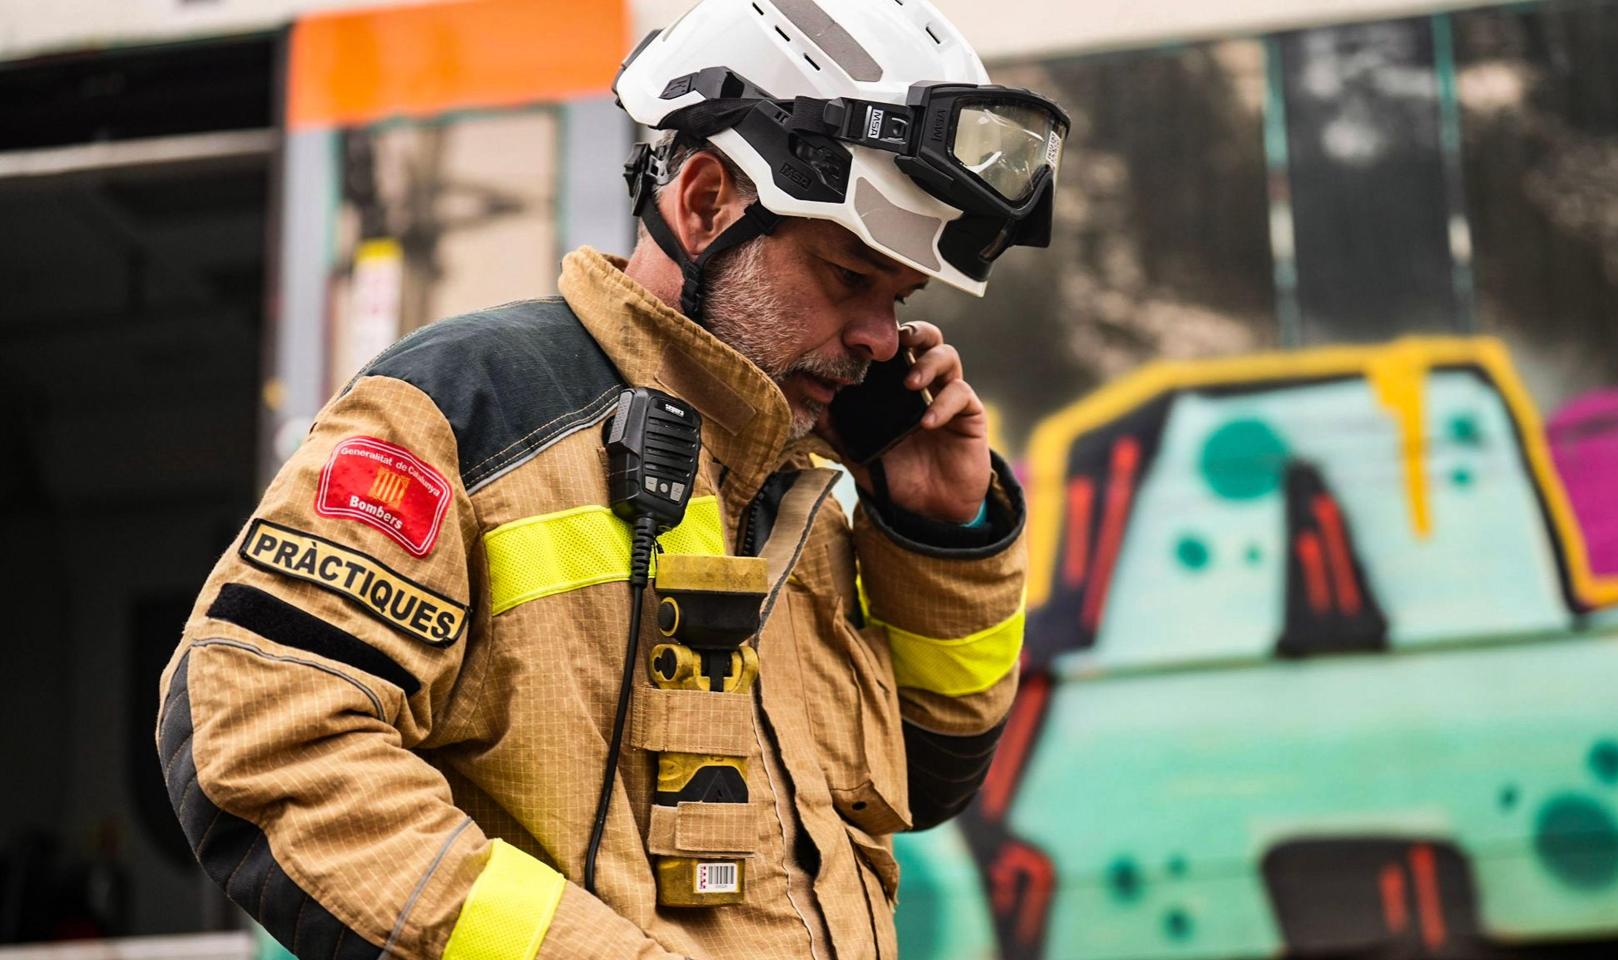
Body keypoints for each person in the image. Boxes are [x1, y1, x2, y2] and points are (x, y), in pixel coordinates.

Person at [155, 0, 1068, 957]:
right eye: (850, 278)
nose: (883, 339)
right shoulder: (467, 407)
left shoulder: (795, 480)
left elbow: (930, 776)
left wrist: (936, 534)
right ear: (708, 200)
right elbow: (263, 739)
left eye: (899, 299)